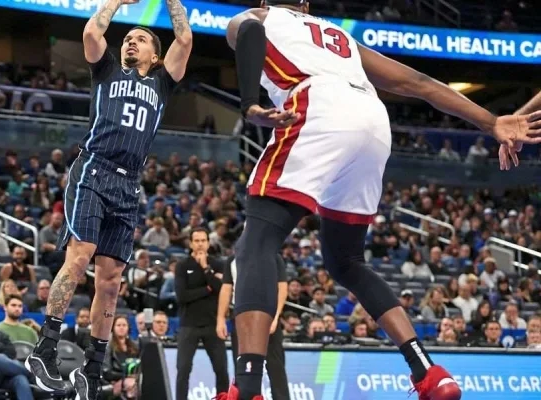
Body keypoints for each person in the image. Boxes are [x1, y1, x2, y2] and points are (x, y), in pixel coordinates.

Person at [219, 1, 541, 399]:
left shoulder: (263, 16)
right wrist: (491, 122)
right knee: (346, 262)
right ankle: (429, 372)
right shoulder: (340, 39)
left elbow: (248, 31)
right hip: (372, 120)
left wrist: (249, 104)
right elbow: (419, 83)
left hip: (318, 106)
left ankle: (247, 387)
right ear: (306, 6)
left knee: (257, 244)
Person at [26, 0, 193, 397]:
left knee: (112, 280)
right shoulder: (106, 70)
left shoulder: (162, 82)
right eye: (128, 39)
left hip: (129, 184)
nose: (131, 42)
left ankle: (93, 369)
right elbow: (91, 33)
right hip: (94, 169)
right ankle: (44, 350)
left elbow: (185, 39)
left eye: (140, 39)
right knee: (80, 255)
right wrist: (116, 2)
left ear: (156, 56)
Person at [217, 255, 289, 400]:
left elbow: (282, 287)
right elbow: (226, 288)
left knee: (276, 367)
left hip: (267, 315)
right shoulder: (232, 260)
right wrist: (220, 319)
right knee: (242, 367)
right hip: (241, 318)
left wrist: (276, 316)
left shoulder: (273, 257)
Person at [173, 228, 228, 400]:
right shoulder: (182, 266)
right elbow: (182, 296)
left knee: (221, 369)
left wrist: (205, 268)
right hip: (189, 324)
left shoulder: (218, 264)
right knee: (183, 369)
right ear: (190, 244)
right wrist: (208, 289)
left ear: (208, 243)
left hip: (213, 323)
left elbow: (222, 290)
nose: (200, 244)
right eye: (196, 241)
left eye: (203, 240)